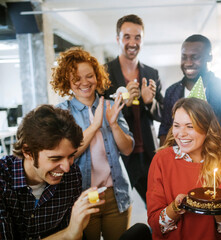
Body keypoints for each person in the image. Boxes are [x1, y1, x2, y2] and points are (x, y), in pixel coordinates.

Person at [51, 47, 134, 240]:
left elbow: (128, 149)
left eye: (89, 76)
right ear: (67, 81)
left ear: (97, 76)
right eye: (76, 79)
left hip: (116, 195)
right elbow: (64, 155)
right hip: (81, 198)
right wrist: (96, 125)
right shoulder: (61, 113)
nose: (84, 83)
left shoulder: (111, 105)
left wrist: (113, 124)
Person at [0, 104, 105, 239]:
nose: (66, 167)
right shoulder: (3, 181)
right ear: (28, 152)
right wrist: (69, 233)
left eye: (71, 156)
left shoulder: (72, 175)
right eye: (56, 158)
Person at [147, 97, 221, 240]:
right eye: (177, 125)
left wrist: (218, 207)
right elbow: (156, 225)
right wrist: (175, 208)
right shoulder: (161, 160)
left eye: (190, 126)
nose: (181, 133)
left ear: (207, 128)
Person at [103, 14, 164, 204]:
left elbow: (162, 113)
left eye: (137, 37)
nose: (132, 42)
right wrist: (124, 105)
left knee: (156, 203)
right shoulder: (104, 73)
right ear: (118, 39)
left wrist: (149, 102)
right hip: (118, 154)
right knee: (120, 207)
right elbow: (101, 115)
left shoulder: (151, 73)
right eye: (127, 36)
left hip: (147, 152)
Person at [158, 34, 221, 153]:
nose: (188, 63)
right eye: (184, 57)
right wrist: (166, 161)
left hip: (215, 162)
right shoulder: (172, 92)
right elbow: (165, 130)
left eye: (195, 57)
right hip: (180, 165)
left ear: (209, 57)